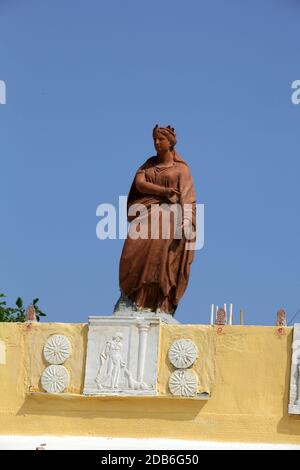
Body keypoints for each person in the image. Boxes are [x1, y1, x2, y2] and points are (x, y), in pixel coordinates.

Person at [118, 125, 196, 315]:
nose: (156, 142)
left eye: (160, 139)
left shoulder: (181, 170)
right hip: (145, 217)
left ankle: (161, 302)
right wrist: (164, 191)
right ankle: (129, 298)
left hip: (170, 222)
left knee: (163, 261)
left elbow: (188, 197)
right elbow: (140, 184)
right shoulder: (148, 164)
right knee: (131, 252)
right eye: (154, 139)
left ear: (170, 143)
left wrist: (186, 221)